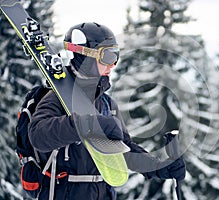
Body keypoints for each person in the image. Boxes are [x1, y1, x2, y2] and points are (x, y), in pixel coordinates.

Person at [28, 22, 186, 200]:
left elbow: (124, 150)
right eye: (108, 56)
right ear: (84, 55)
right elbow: (38, 135)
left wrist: (158, 166)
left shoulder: (107, 104)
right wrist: (88, 125)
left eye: (116, 56)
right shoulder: (58, 97)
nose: (113, 64)